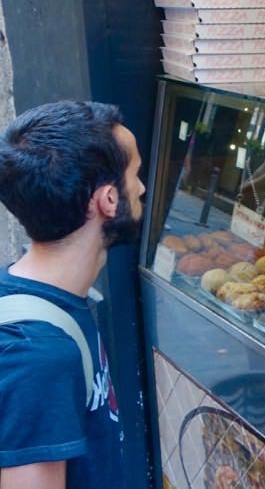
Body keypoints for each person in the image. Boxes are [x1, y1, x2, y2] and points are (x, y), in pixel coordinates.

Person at [0, 101, 145, 488]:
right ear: (108, 200)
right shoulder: (37, 358)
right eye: (136, 175)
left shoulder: (24, 296)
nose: (143, 188)